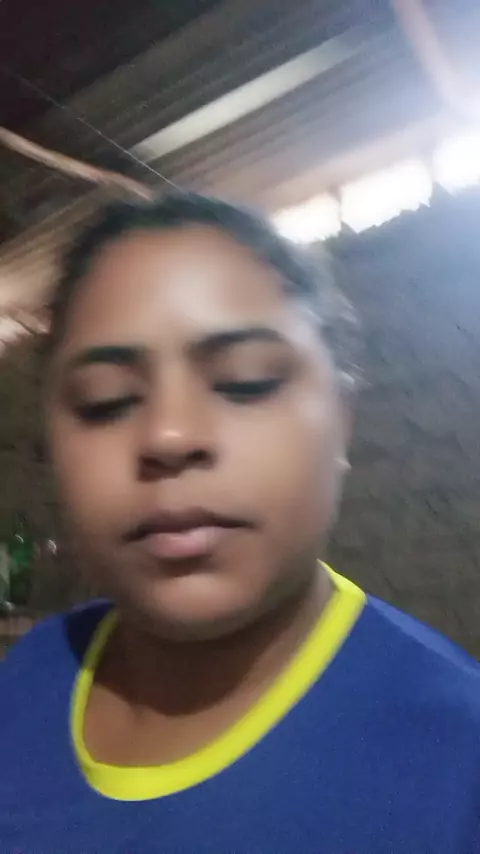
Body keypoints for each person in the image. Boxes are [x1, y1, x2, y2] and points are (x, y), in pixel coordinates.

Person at [1, 192, 479, 854]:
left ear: (341, 420)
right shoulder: (29, 676)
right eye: (105, 402)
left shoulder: (455, 764)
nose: (169, 435)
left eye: (245, 382)